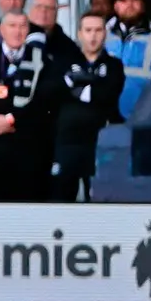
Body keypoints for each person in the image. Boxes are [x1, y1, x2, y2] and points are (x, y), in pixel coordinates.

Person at [0, 9, 55, 202]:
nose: (17, 32)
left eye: (22, 26)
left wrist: (12, 119)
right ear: (1, 30)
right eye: (12, 26)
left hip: (27, 146)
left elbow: (45, 98)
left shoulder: (42, 59)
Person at [50, 11, 122, 203]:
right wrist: (92, 85)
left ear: (105, 33)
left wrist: (76, 87)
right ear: (79, 33)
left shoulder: (114, 65)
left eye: (98, 30)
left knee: (99, 197)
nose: (93, 36)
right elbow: (55, 91)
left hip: (100, 141)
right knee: (62, 195)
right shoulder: (63, 61)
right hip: (67, 139)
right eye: (88, 30)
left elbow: (107, 94)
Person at [104, 0, 151, 120]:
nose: (129, 5)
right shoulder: (101, 34)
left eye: (134, 0)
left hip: (141, 112)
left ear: (143, 5)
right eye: (124, 0)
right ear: (115, 6)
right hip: (104, 113)